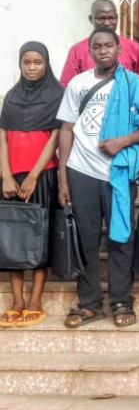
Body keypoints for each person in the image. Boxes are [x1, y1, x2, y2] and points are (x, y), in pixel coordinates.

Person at [57, 28, 139, 329]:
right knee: (86, 239)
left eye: (108, 45)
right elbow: (66, 130)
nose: (103, 51)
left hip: (118, 172)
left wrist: (121, 142)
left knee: (121, 237)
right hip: (81, 170)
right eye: (97, 46)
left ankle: (121, 301)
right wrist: (63, 177)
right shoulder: (78, 83)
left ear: (119, 49)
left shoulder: (135, 85)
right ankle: (88, 304)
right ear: (89, 51)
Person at [0, 43, 63, 328]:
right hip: (10, 177)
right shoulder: (11, 97)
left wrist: (35, 175)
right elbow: (2, 136)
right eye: (27, 62)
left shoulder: (56, 95)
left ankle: (35, 300)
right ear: (20, 64)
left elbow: (54, 138)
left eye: (37, 62)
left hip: (43, 175)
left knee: (39, 235)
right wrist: (7, 175)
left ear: (46, 63)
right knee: (12, 235)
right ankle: (17, 301)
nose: (32, 67)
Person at [61, 0, 139, 87]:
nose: (107, 23)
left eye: (111, 18)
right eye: (101, 18)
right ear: (91, 19)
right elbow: (67, 86)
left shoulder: (135, 49)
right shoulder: (77, 51)